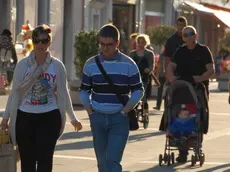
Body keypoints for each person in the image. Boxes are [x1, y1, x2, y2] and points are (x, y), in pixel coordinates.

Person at [0, 24, 82, 172]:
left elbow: (63, 93)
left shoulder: (57, 66)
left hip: (49, 116)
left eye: (44, 41)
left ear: (49, 43)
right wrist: (5, 118)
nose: (40, 44)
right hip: (24, 117)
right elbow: (15, 94)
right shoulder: (22, 65)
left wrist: (73, 118)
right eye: (37, 40)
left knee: (45, 160)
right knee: (27, 162)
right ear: (33, 41)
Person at [80, 24, 144, 172]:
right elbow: (84, 90)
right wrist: (90, 112)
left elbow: (138, 90)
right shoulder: (91, 64)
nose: (104, 48)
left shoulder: (128, 64)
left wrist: (126, 110)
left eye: (109, 44)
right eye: (102, 44)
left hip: (119, 118)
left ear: (117, 43)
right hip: (98, 117)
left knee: (112, 162)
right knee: (102, 164)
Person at [166, 25, 214, 162]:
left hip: (198, 87)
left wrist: (200, 78)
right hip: (181, 87)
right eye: (185, 35)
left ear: (196, 35)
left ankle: (196, 142)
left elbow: (211, 69)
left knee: (198, 113)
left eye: (190, 34)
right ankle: (181, 149)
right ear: (183, 37)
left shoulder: (203, 50)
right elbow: (171, 67)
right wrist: (171, 78)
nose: (188, 37)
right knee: (178, 112)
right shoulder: (180, 51)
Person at [153, 16, 188, 110]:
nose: (180, 27)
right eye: (179, 25)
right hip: (174, 70)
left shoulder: (189, 39)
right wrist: (166, 71)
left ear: (186, 26)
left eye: (183, 25)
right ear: (176, 25)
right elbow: (167, 57)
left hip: (188, 69)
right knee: (172, 92)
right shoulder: (171, 40)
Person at [129, 34, 154, 104]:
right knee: (132, 93)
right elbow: (129, 65)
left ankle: (145, 109)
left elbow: (151, 65)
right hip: (133, 76)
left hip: (144, 76)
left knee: (142, 93)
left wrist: (148, 69)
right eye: (139, 42)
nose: (140, 44)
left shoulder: (149, 54)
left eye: (142, 42)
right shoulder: (132, 53)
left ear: (146, 43)